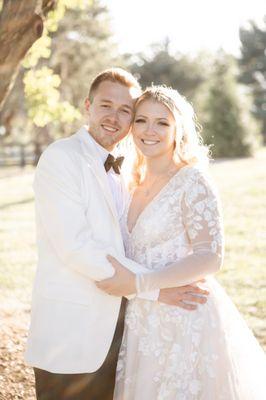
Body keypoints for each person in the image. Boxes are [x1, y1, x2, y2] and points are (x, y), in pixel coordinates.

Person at [24, 69, 209, 400]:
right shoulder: (61, 158)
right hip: (71, 330)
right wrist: (152, 288)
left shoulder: (127, 169)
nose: (114, 117)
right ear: (88, 105)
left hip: (121, 331)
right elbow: (75, 247)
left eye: (126, 110)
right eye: (106, 105)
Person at [97, 85, 266, 400]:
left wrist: (142, 282)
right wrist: (145, 290)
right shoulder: (129, 183)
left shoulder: (193, 181)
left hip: (186, 317)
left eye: (162, 122)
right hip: (142, 318)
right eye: (141, 120)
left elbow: (210, 257)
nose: (150, 131)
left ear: (178, 130)